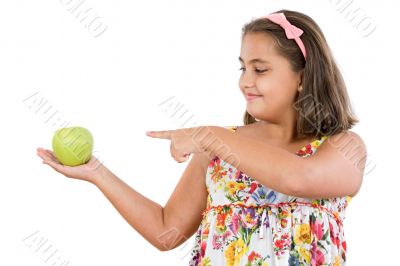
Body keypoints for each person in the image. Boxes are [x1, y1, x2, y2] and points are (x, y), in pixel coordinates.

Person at [37, 9, 367, 266]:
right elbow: (166, 231)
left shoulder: (343, 147)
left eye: (260, 69)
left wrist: (209, 134)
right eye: (242, 68)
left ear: (302, 77)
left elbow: (298, 178)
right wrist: (97, 173)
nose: (245, 82)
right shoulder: (218, 147)